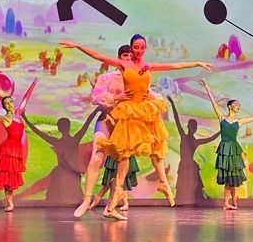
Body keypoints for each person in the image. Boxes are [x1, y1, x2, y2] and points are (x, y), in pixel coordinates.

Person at [60, 34, 213, 219]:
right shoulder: (111, 75)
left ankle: (114, 205)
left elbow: (172, 67)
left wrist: (196, 63)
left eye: (140, 48)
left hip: (128, 122)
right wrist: (77, 44)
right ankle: (87, 200)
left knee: (131, 159)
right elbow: (98, 64)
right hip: (110, 120)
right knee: (97, 158)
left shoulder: (146, 68)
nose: (134, 53)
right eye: (130, 51)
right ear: (123, 55)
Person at [73, 45, 139, 217]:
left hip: (124, 126)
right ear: (118, 58)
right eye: (125, 55)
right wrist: (117, 97)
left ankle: (111, 208)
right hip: (106, 121)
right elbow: (97, 98)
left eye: (131, 56)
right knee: (97, 158)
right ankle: (87, 200)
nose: (127, 59)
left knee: (120, 168)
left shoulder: (136, 79)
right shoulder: (107, 77)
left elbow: (146, 96)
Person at [198, 78, 253, 210]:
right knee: (229, 177)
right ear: (229, 106)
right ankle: (226, 203)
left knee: (233, 176)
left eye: (238, 104)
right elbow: (213, 103)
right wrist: (207, 86)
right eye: (235, 104)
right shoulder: (222, 118)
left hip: (233, 150)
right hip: (225, 149)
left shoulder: (239, 121)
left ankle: (233, 199)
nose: (237, 105)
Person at [0, 85, 37, 212]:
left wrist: (33, 85)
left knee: (10, 178)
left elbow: (26, 99)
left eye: (10, 102)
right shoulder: (6, 119)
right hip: (7, 150)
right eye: (6, 103)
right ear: (4, 107)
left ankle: (10, 204)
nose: (9, 104)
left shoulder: (19, 115)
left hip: (15, 150)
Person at [167, 95, 220, 205]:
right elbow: (176, 119)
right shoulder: (184, 136)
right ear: (190, 127)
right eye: (193, 126)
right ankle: (182, 201)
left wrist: (221, 131)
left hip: (190, 164)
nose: (194, 128)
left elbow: (211, 138)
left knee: (195, 184)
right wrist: (172, 104)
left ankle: (197, 201)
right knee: (185, 184)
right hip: (186, 164)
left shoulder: (194, 140)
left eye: (194, 126)